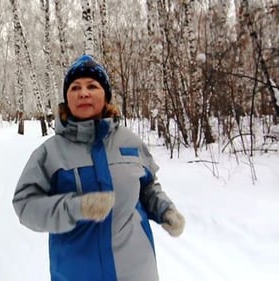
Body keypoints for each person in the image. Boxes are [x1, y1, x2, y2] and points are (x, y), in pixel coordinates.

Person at [12, 54, 185, 281]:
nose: (83, 92)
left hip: (136, 271)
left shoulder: (130, 142)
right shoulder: (49, 153)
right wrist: (75, 208)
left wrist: (164, 209)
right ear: (67, 98)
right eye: (75, 87)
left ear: (105, 96)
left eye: (92, 86)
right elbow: (25, 206)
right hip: (76, 273)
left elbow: (147, 187)